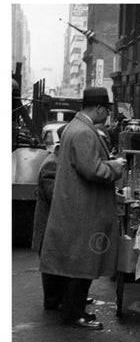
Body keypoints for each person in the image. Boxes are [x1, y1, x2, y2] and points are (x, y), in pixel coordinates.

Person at [40, 87, 126, 331]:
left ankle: (72, 306)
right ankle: (74, 312)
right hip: (84, 209)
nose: (107, 116)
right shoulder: (84, 133)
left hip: (76, 205)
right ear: (98, 108)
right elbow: (93, 170)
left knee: (77, 261)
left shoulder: (76, 128)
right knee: (82, 262)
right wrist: (116, 166)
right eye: (107, 111)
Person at [32, 125, 67, 310]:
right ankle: (53, 301)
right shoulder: (52, 163)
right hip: (48, 227)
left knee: (57, 265)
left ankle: (63, 298)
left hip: (53, 226)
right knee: (51, 266)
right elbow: (54, 194)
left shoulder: (58, 161)